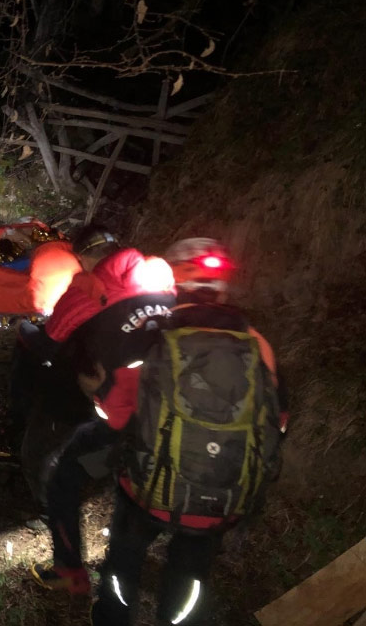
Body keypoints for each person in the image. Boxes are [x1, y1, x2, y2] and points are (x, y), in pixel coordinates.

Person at [89, 237, 286, 625]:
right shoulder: (256, 343)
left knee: (124, 557)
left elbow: (112, 412)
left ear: (174, 284)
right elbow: (277, 422)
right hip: (220, 492)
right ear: (224, 289)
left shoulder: (152, 336)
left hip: (148, 487)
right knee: (191, 575)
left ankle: (113, 617)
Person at [23, 225, 176, 593]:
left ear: (84, 258)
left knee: (64, 478)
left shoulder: (85, 289)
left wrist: (23, 330)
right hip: (178, 407)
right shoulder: (159, 273)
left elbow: (50, 343)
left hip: (128, 416)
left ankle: (71, 573)